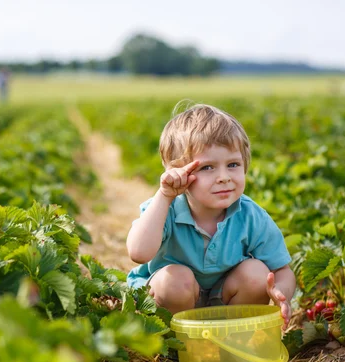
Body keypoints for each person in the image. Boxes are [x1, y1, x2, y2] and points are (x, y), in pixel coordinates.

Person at [126, 103, 296, 330]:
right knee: (174, 280)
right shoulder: (164, 208)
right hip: (176, 303)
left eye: (233, 164)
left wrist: (280, 293)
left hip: (225, 300)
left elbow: (282, 271)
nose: (224, 177)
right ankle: (175, 348)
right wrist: (165, 196)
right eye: (207, 168)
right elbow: (138, 253)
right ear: (178, 172)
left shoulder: (251, 215)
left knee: (258, 274)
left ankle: (232, 342)